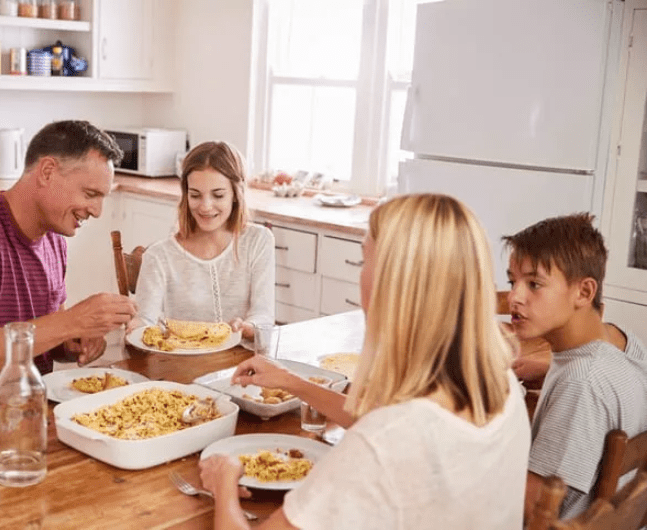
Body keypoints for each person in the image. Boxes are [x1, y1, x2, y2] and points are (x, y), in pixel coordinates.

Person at [200, 194, 532, 529]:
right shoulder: (503, 388)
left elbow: (384, 437)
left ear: (392, 284)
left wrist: (224, 482)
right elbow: (385, 424)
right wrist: (292, 382)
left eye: (364, 260)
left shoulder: (384, 443)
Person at [0, 120, 137, 403]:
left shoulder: (54, 238)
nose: (97, 211)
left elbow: (43, 331)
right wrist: (69, 322)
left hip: (28, 412)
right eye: (90, 194)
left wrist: (72, 340)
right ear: (47, 172)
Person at [502, 213, 647, 521]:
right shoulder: (624, 344)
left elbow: (530, 514)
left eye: (534, 284)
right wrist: (552, 366)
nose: (514, 297)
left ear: (584, 292)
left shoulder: (581, 383)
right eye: (513, 282)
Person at [128, 141, 274, 340]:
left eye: (218, 195)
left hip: (244, 365)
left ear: (235, 194)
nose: (205, 207)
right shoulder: (159, 256)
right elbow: (146, 321)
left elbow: (263, 317)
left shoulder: (258, 241)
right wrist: (136, 327)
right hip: (180, 367)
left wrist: (248, 328)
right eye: (195, 195)